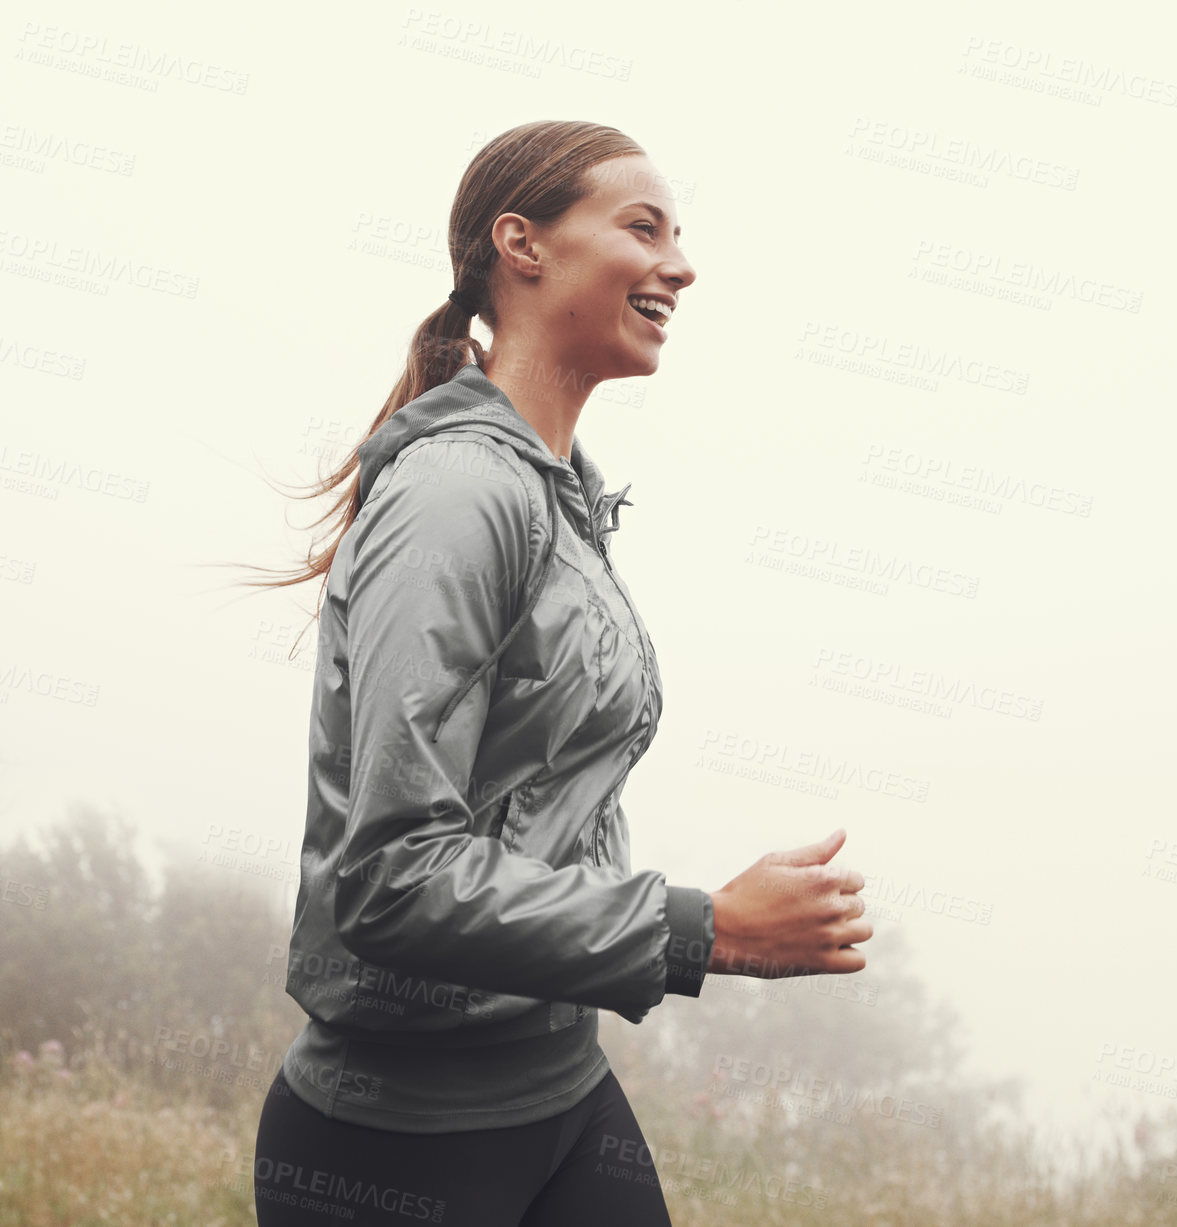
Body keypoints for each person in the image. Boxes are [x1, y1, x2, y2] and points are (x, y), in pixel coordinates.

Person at [236, 120, 873, 1225]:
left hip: (561, 1092)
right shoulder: (456, 496)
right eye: (644, 227)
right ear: (522, 246)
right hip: (396, 1145)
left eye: (682, 235)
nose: (681, 263)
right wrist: (705, 926)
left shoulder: (557, 497)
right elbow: (388, 877)